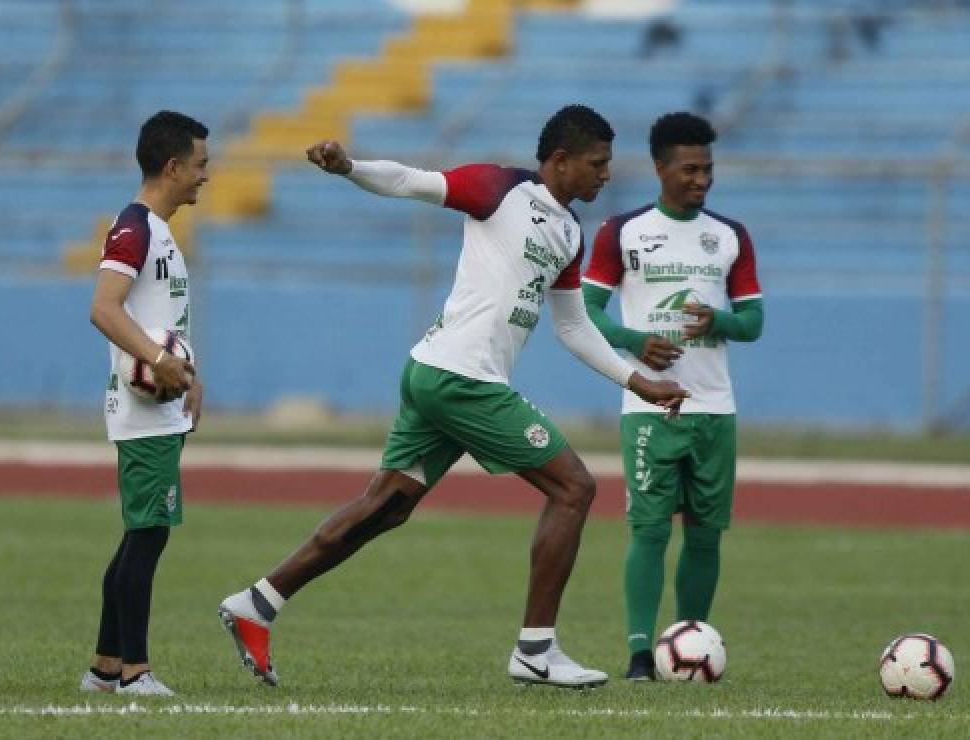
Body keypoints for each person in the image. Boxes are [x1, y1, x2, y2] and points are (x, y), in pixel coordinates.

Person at [219, 105, 689, 689]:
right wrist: (349, 167)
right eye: (597, 163)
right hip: (461, 380)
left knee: (386, 507)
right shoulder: (500, 189)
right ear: (561, 160)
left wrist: (635, 381)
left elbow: (572, 326)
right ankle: (536, 650)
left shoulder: (570, 232)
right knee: (573, 488)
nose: (606, 174)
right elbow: (411, 181)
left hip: (437, 375)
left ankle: (257, 603)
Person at [581, 112, 763, 681]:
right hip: (650, 408)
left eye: (707, 169)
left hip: (715, 409)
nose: (701, 179)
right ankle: (640, 655)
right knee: (650, 530)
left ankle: (690, 643)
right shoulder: (622, 232)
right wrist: (635, 342)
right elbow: (586, 311)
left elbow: (753, 322)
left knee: (705, 536)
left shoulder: (729, 236)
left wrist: (719, 321)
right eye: (689, 169)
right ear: (660, 167)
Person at [78, 111, 205, 697]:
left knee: (141, 534)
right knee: (148, 535)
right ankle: (135, 672)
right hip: (142, 410)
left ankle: (106, 667)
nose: (206, 175)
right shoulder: (134, 228)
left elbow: (163, 320)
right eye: (200, 164)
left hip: (161, 406)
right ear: (173, 167)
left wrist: (189, 373)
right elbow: (104, 308)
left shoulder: (159, 229)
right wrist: (158, 360)